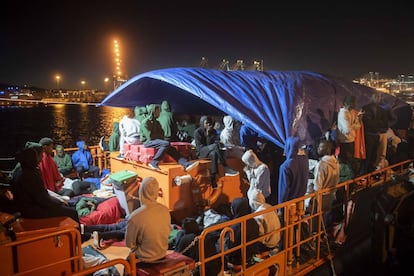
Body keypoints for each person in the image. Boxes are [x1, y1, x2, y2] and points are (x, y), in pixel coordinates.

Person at [11, 145, 80, 223]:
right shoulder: (31, 174)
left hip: (26, 208)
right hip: (33, 211)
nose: (40, 159)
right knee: (72, 212)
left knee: (65, 205)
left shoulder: (19, 171)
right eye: (38, 156)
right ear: (32, 158)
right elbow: (43, 199)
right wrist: (58, 203)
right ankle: (79, 234)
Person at [125, 177, 171, 264]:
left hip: (144, 259)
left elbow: (129, 244)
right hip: (162, 255)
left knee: (126, 263)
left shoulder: (135, 216)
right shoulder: (165, 210)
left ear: (141, 192)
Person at [140, 104, 198, 171]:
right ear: (153, 111)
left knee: (172, 148)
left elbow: (162, 133)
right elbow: (150, 136)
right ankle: (153, 162)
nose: (159, 112)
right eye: (157, 111)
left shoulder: (157, 122)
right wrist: (159, 136)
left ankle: (186, 164)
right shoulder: (145, 122)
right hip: (147, 142)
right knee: (166, 143)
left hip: (156, 140)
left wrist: (159, 136)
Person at [194, 115, 239, 185]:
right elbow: (200, 147)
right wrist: (207, 134)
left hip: (211, 150)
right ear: (202, 123)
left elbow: (214, 143)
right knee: (215, 146)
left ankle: (213, 177)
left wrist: (209, 135)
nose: (209, 124)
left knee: (214, 154)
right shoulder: (197, 132)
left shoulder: (213, 131)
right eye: (207, 123)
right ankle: (225, 166)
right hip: (201, 152)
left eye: (210, 123)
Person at [309, 139, 340, 229]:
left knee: (316, 223)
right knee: (324, 218)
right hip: (331, 194)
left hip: (321, 196)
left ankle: (315, 239)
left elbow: (318, 185)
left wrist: (312, 198)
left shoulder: (322, 164)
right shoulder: (336, 162)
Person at [225, 197, 260, 268]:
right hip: (250, 255)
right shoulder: (254, 221)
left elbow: (231, 248)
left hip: (237, 259)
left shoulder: (235, 227)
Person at [361, 92, 391, 174]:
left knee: (374, 155)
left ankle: (371, 172)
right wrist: (376, 123)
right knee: (368, 154)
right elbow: (365, 121)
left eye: (379, 97)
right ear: (372, 98)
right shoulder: (365, 108)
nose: (378, 99)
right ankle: (364, 173)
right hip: (368, 134)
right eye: (376, 97)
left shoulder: (382, 110)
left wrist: (376, 124)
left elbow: (385, 122)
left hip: (376, 135)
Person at [277, 136, 309, 205]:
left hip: (289, 205)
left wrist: (280, 209)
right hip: (301, 202)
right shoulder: (305, 160)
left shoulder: (285, 166)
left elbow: (283, 190)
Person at [336, 95, 362, 176]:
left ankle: (350, 178)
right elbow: (347, 130)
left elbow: (358, 126)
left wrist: (356, 122)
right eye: (352, 104)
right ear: (346, 104)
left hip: (351, 140)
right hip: (345, 141)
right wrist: (354, 125)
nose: (353, 106)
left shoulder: (352, 112)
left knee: (350, 162)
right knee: (345, 162)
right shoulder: (343, 113)